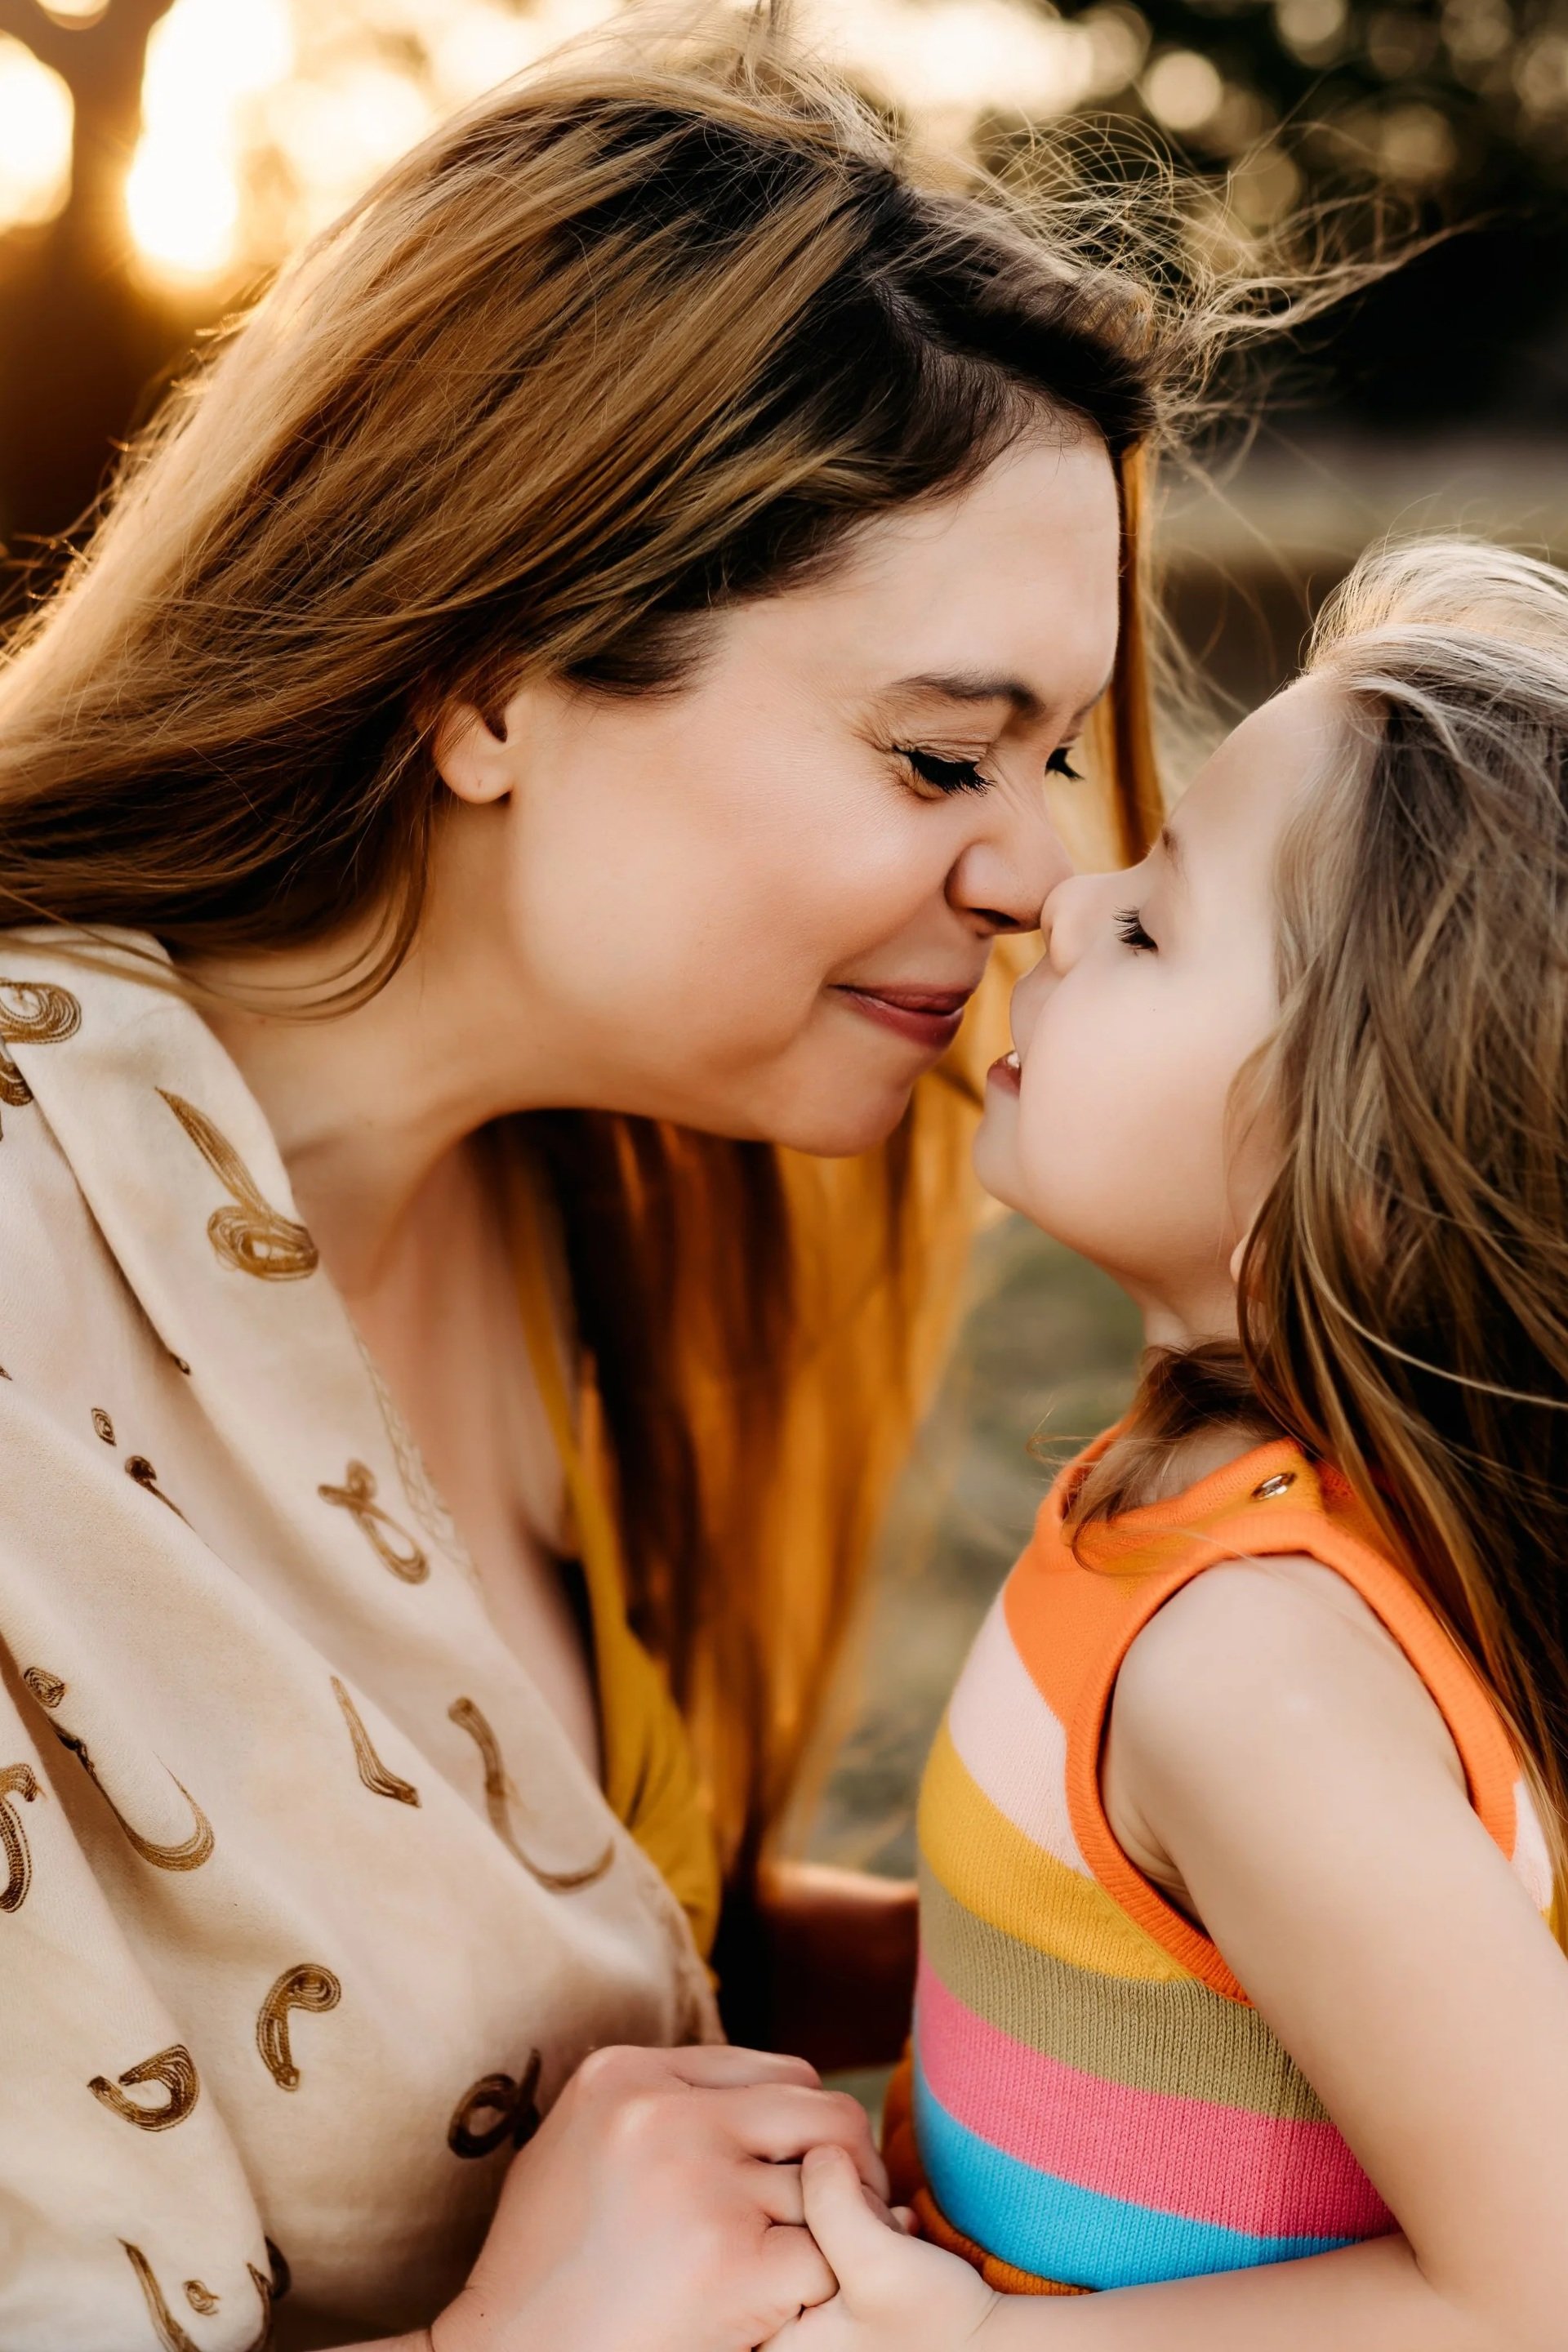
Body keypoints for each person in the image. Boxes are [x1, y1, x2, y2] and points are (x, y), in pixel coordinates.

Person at [0, 11, 1204, 2347]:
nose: (1041, 873)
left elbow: (574, 1929)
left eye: (1051, 755)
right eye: (943, 750)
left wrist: (1190, 1921)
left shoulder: (582, 1199)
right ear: (487, 681)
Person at [777, 537, 1568, 2351]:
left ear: (1357, 1184)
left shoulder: (1251, 1668)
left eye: (1148, 924)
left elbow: (1541, 2286)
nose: (1059, 905)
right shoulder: (1202, 1537)